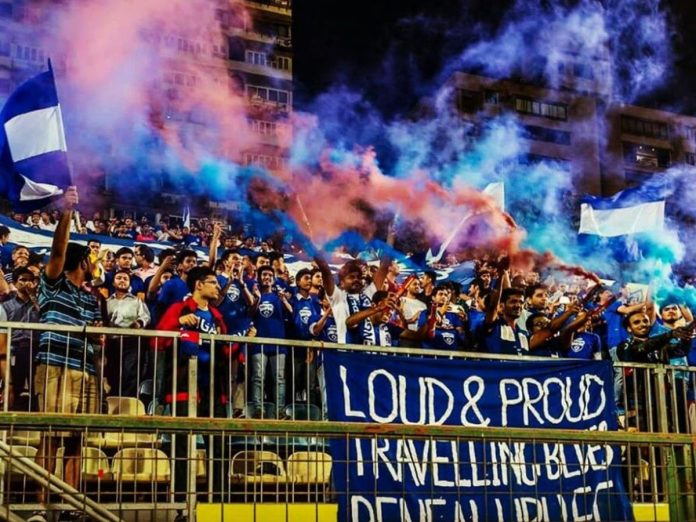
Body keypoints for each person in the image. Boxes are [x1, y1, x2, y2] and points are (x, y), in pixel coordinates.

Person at [32, 186, 102, 522]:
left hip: (85, 370)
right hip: (56, 366)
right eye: (90, 258)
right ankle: (41, 506)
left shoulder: (91, 298)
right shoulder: (54, 282)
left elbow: (98, 340)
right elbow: (58, 250)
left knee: (75, 440)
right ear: (82, 261)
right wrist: (66, 213)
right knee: (50, 437)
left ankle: (72, 506)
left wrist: (100, 377)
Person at [154, 266, 229, 521]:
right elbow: (156, 341)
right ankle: (181, 510)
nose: (217, 288)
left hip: (214, 393)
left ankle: (216, 507)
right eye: (213, 283)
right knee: (182, 451)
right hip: (184, 391)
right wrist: (178, 324)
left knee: (218, 451)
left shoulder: (218, 317)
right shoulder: (179, 309)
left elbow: (226, 352)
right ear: (199, 285)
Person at [249, 265, 292, 417]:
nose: (267, 278)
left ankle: (280, 411)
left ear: (273, 279)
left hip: (278, 344)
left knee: (279, 379)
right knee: (258, 377)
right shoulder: (254, 296)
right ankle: (258, 409)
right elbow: (250, 314)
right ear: (259, 278)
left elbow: (293, 315)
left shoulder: (279, 297)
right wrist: (257, 298)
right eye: (264, 275)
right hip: (258, 343)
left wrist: (284, 300)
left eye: (269, 275)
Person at [105, 270, 151, 397]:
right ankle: (113, 402)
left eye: (125, 278)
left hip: (131, 341)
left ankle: (126, 402)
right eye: (119, 278)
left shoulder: (136, 301)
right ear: (113, 283)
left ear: (129, 284)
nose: (122, 280)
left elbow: (146, 317)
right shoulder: (107, 302)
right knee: (112, 373)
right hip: (112, 341)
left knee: (130, 373)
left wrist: (138, 323)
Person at [0, 267, 39, 411]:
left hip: (36, 351)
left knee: (37, 391)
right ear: (15, 283)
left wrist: (33, 296)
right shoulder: (6, 305)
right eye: (23, 280)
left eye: (31, 280)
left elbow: (44, 315)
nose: (27, 283)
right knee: (13, 389)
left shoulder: (39, 303)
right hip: (15, 350)